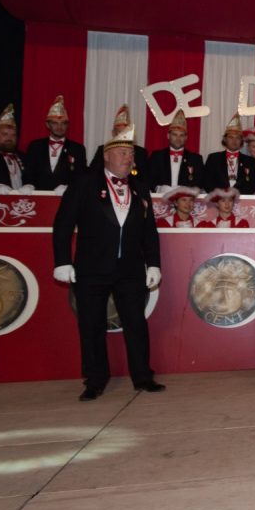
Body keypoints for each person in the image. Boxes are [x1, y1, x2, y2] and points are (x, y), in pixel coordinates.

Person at [52, 122, 164, 401]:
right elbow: (63, 225)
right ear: (106, 156)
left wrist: (153, 264)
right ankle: (95, 380)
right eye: (123, 153)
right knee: (91, 326)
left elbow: (149, 232)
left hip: (130, 270)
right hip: (91, 269)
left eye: (131, 154)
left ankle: (143, 377)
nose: (129, 158)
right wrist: (62, 261)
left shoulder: (140, 189)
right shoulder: (83, 185)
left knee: (136, 324)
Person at [23, 95, 87, 192]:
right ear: (47, 124)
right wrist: (29, 185)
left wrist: (69, 187)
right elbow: (28, 172)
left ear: (68, 125)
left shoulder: (78, 149)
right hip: (39, 196)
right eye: (55, 123)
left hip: (67, 197)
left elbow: (81, 176)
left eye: (63, 123)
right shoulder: (35, 146)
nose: (59, 127)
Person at [147, 109, 204, 194]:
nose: (178, 138)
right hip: (160, 198)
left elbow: (200, 182)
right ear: (168, 135)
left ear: (186, 138)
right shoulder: (157, 156)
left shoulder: (196, 159)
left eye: (182, 135)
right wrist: (159, 188)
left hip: (186, 200)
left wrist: (186, 190)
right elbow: (148, 179)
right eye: (174, 135)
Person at [90, 104, 149, 184]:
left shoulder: (140, 152)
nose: (122, 137)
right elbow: (93, 173)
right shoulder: (104, 149)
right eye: (119, 133)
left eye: (125, 133)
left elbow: (145, 179)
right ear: (113, 133)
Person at [203, 113, 255, 195]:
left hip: (242, 200)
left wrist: (236, 195)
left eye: (237, 138)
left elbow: (252, 186)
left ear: (241, 140)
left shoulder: (250, 161)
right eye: (231, 137)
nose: (234, 141)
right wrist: (223, 196)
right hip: (218, 200)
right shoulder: (213, 158)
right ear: (225, 139)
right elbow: (207, 183)